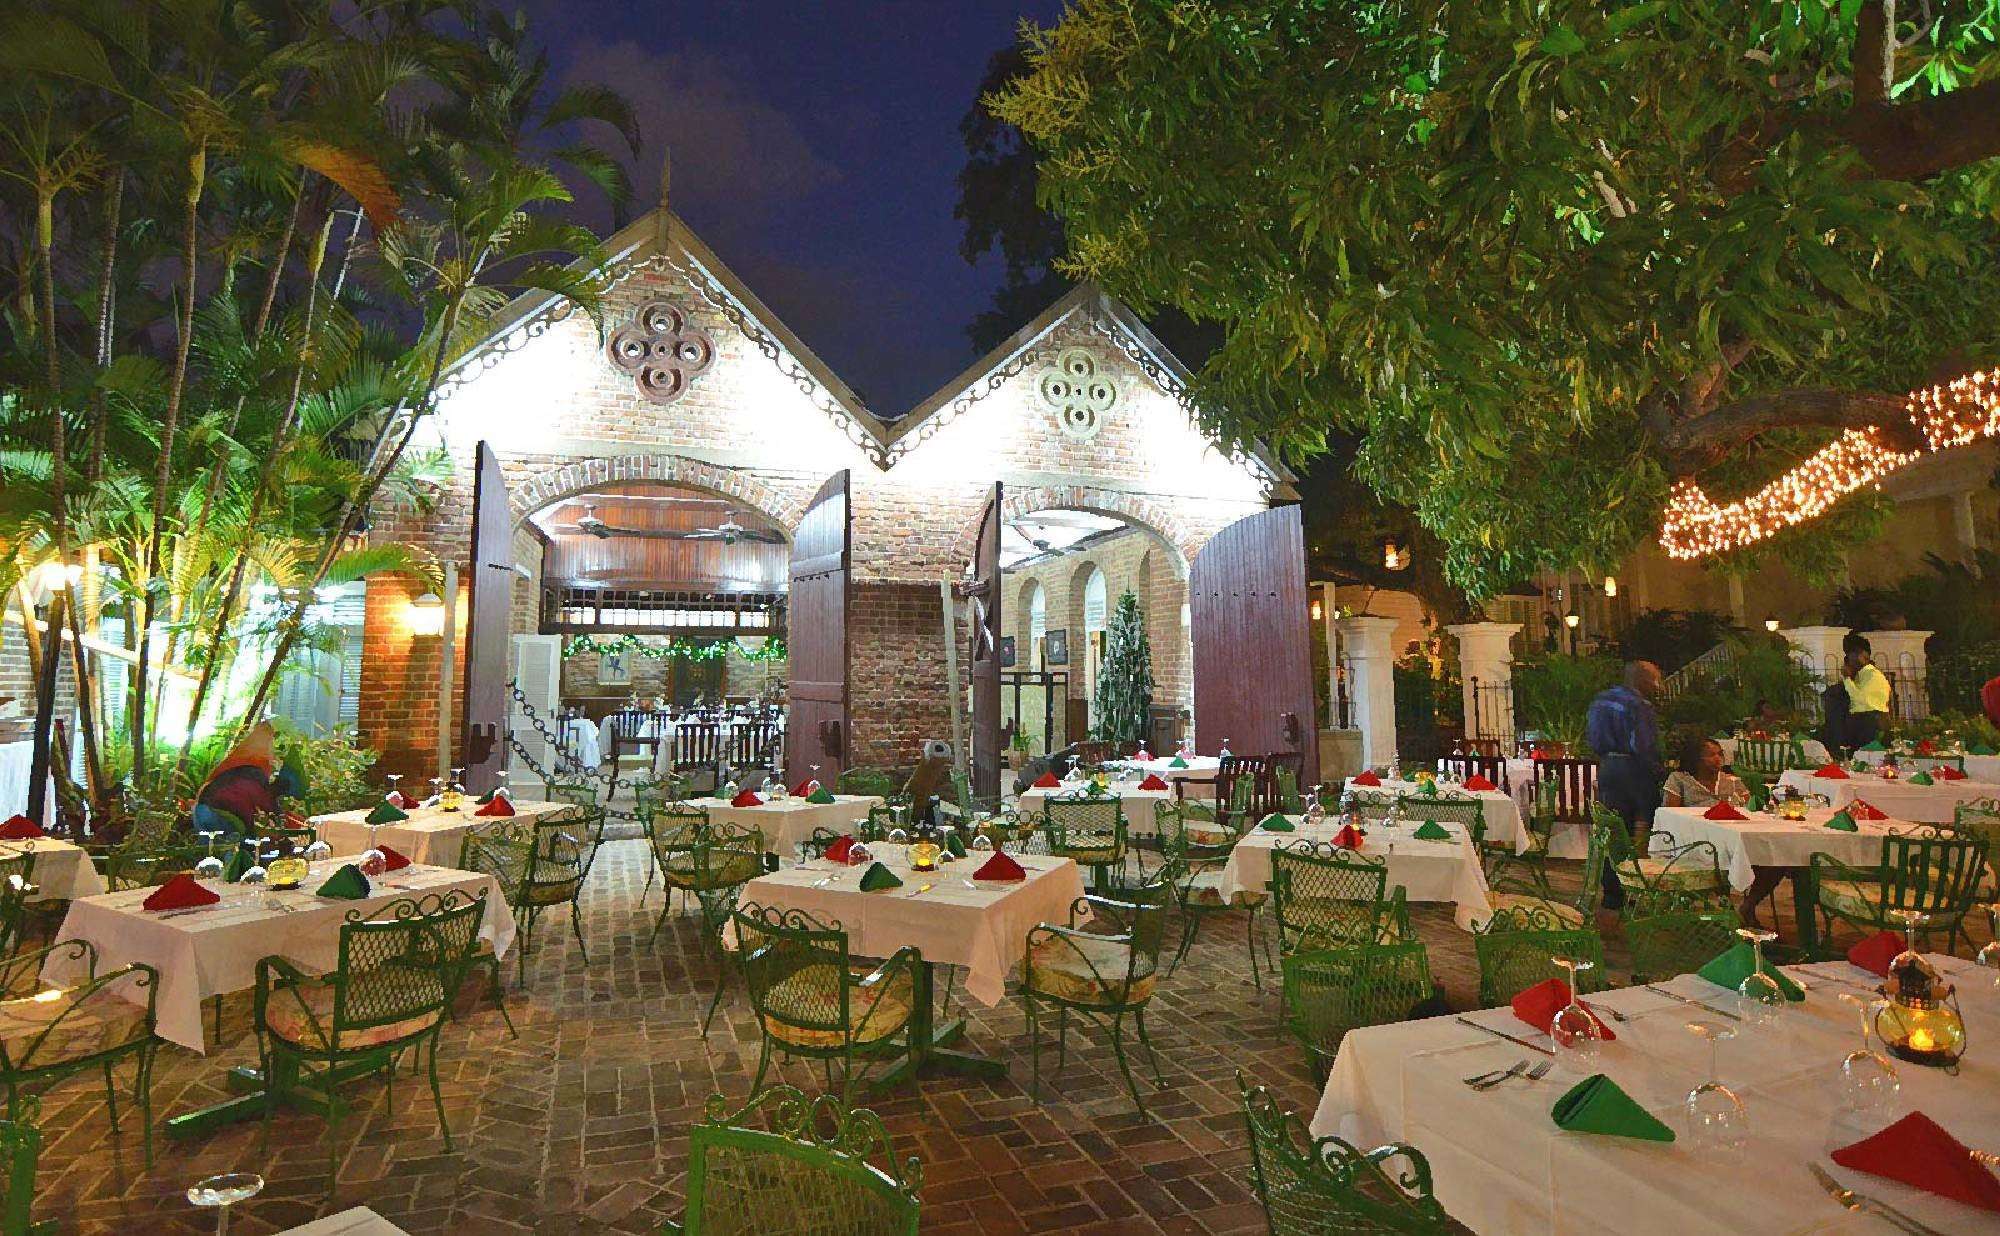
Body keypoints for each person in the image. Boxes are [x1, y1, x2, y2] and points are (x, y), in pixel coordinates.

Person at [1584, 660, 1664, 912]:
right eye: (1655, 680)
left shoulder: (1600, 700)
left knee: (1614, 830)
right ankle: (1641, 885)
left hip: (1608, 767)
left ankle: (1612, 893)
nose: (1657, 686)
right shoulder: (1638, 705)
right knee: (1647, 827)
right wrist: (1658, 771)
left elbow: (1592, 738)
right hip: (1633, 770)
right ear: (1642, 680)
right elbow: (1643, 745)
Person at [1661, 735, 1746, 808]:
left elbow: (1749, 810)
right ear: (1696, 758)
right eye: (1711, 755)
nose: (1718, 759)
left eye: (1720, 754)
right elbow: (1670, 814)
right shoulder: (1679, 779)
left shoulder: (1732, 781)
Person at [1842, 634, 1891, 750]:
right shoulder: (1862, 675)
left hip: (1870, 722)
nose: (1849, 660)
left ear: (1861, 656)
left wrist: (1847, 679)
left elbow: (1859, 700)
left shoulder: (1873, 675)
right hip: (1864, 721)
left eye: (1851, 656)